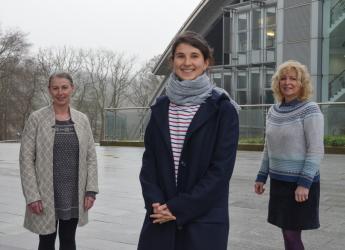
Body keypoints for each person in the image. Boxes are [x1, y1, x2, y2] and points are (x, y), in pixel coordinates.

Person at [137, 31, 239, 250]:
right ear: (172, 61)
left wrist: (177, 208)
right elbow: (149, 164)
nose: (187, 62)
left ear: (206, 62)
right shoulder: (159, 108)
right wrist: (156, 203)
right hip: (160, 218)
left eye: (194, 56)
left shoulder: (223, 109)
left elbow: (220, 171)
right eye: (180, 56)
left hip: (203, 221)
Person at [19, 72, 99, 250]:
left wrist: (91, 191)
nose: (60, 92)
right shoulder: (36, 119)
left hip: (73, 193)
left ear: (72, 88)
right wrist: (32, 196)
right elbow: (26, 159)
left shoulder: (82, 120)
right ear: (49, 90)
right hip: (45, 193)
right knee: (46, 241)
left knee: (69, 240)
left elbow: (91, 157)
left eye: (64, 87)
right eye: (55, 88)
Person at [254, 60, 324, 250]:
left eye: (293, 78)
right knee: (286, 233)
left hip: (300, 184)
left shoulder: (310, 109)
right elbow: (268, 147)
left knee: (291, 235)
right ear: (277, 83)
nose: (287, 82)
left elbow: (316, 149)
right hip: (279, 183)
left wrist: (304, 184)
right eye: (283, 78)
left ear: (302, 83)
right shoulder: (273, 111)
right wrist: (262, 176)